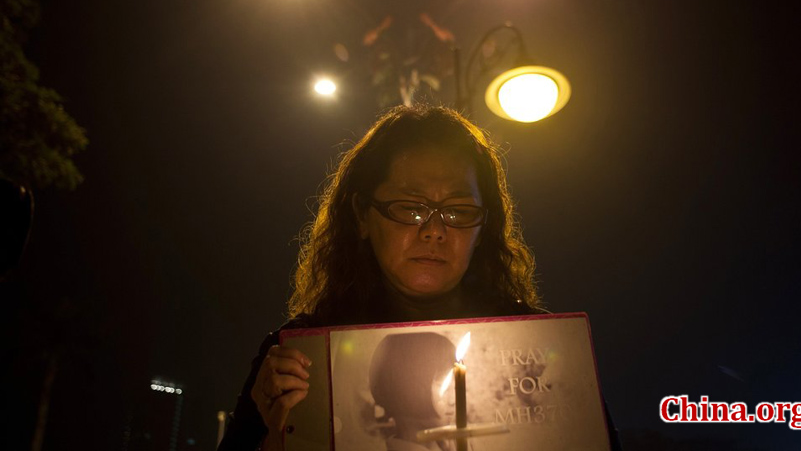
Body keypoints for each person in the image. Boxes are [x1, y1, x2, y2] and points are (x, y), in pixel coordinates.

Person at [218, 104, 621, 451]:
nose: (434, 230)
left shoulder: (538, 350)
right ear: (361, 216)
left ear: (484, 230)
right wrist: (276, 437)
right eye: (409, 208)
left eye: (459, 211)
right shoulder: (300, 358)